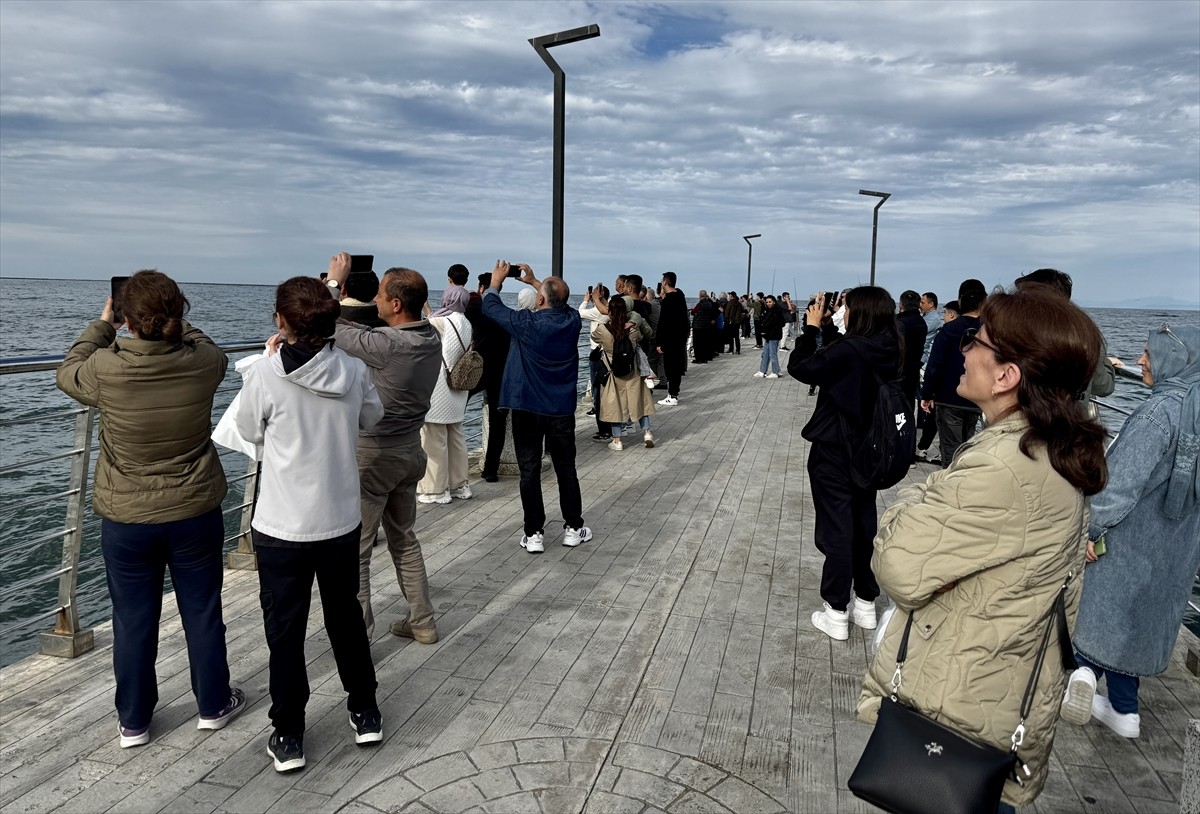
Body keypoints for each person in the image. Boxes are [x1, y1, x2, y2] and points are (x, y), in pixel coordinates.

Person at [857, 285, 1109, 812]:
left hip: (962, 706)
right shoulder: (1046, 446)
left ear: (1006, 375)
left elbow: (899, 565)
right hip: (995, 689)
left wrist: (914, 498)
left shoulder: (1004, 466)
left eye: (978, 340)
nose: (964, 348)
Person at [56, 270, 243, 749]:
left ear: (126, 319)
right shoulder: (204, 363)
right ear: (179, 312)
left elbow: (66, 370)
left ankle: (135, 721)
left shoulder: (105, 368)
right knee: (202, 610)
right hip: (194, 508)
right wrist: (180, 319)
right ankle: (213, 704)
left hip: (127, 517)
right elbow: (209, 346)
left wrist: (102, 325)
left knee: (133, 618)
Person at [235, 277, 386, 772]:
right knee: (345, 618)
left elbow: (245, 430)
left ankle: (289, 733)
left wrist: (263, 361)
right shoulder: (354, 369)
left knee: (285, 631)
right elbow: (372, 417)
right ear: (331, 322)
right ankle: (364, 711)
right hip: (339, 518)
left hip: (281, 524)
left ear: (281, 321)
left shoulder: (266, 374)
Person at [1061, 322, 1200, 739]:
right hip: (1175, 547)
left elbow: (1121, 481)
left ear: (1175, 361)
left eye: (1148, 353)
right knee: (1136, 621)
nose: (1140, 360)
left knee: (1101, 610)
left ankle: (1081, 676)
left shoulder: (1160, 411)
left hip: (1128, 541)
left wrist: (1090, 528)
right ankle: (1123, 709)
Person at [325, 253, 442, 643]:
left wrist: (333, 283)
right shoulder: (431, 337)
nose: (372, 301)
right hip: (410, 451)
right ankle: (422, 622)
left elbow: (327, 325)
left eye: (377, 296)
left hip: (373, 456)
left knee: (357, 552)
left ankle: (359, 639)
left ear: (395, 305)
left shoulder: (387, 344)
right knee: (404, 540)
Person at [786, 287, 903, 639]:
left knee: (836, 528)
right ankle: (866, 603)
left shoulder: (849, 351)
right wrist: (831, 330)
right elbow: (850, 357)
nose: (842, 311)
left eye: (846, 307)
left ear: (859, 313)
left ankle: (836, 609)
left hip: (835, 450)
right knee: (863, 522)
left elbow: (801, 367)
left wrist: (809, 329)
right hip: (873, 449)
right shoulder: (891, 347)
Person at [482, 261, 592, 554]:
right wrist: (534, 282)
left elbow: (490, 307)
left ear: (540, 300)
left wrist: (496, 282)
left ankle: (534, 534)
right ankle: (572, 527)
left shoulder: (526, 324)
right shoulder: (572, 321)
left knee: (529, 471)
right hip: (561, 410)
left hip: (527, 409)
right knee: (566, 469)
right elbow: (561, 302)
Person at [417, 286, 474, 504]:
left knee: (434, 440)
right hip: (458, 389)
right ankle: (460, 485)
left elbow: (427, 324)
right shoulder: (466, 322)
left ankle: (436, 490)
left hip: (439, 388)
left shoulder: (441, 322)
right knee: (456, 437)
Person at [920, 279, 986, 467]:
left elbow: (935, 364)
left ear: (959, 302)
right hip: (977, 397)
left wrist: (927, 393)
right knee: (968, 443)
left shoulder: (949, 330)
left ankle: (952, 483)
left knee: (950, 447)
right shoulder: (990, 330)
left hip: (948, 396)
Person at [594, 296, 657, 450]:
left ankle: (617, 440)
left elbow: (594, 337)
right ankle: (647, 433)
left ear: (609, 312)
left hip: (613, 373)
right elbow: (641, 337)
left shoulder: (603, 330)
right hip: (633, 371)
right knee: (640, 401)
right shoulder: (633, 329)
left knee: (614, 405)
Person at [466, 272, 510, 482]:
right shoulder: (505, 312)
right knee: (498, 422)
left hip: (477, 368)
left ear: (482, 288)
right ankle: (490, 470)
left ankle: (451, 462)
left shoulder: (475, 309)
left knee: (456, 410)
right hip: (500, 371)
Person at [581, 285, 614, 442]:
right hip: (608, 355)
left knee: (597, 392)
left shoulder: (598, 312)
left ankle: (604, 431)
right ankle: (613, 427)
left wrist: (585, 301)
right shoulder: (610, 309)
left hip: (597, 355)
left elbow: (579, 313)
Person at [913, 291, 941, 462]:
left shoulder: (931, 320)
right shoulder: (927, 318)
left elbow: (919, 334)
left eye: (922, 302)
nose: (920, 304)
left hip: (922, 362)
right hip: (922, 363)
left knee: (923, 402)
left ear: (931, 304)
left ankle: (923, 446)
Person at [656, 272, 689, 406]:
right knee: (676, 367)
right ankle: (673, 393)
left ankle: (672, 395)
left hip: (670, 339)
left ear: (665, 282)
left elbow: (663, 323)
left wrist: (659, 342)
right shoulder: (680, 296)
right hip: (679, 338)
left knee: (670, 367)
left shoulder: (668, 301)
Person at [895, 289, 928, 402]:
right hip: (913, 369)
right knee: (909, 404)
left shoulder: (900, 323)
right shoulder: (921, 322)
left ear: (901, 304)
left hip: (899, 373)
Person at [754, 294, 785, 378]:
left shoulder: (777, 311)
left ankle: (776, 371)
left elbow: (781, 323)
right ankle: (762, 371)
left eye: (770, 302)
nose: (768, 303)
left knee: (772, 354)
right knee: (765, 354)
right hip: (768, 335)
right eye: (767, 302)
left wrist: (769, 327)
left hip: (774, 335)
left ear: (774, 302)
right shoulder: (767, 310)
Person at [722, 291, 743, 355]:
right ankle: (738, 349)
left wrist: (725, 320)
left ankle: (731, 349)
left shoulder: (729, 303)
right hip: (738, 322)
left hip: (731, 321)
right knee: (737, 336)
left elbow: (727, 313)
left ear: (731, 296)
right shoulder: (739, 304)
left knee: (730, 336)